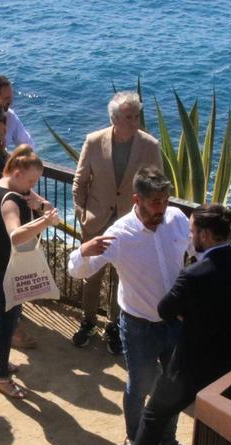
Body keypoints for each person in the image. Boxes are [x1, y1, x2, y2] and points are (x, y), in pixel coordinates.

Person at [92, 203, 231, 445]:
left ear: (205, 235)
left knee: (152, 418)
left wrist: (189, 311)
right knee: (219, 432)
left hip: (190, 364)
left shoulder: (194, 275)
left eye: (193, 231)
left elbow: (165, 309)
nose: (190, 236)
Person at [67, 167, 192, 445]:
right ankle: (135, 439)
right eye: (154, 202)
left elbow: (198, 255)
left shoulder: (177, 220)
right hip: (138, 326)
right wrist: (82, 251)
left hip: (175, 324)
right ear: (137, 199)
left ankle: (166, 442)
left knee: (173, 385)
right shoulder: (119, 234)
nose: (160, 208)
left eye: (164, 200)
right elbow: (78, 271)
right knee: (138, 387)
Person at [71, 91, 164, 355]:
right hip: (96, 221)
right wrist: (82, 214)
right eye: (128, 116)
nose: (134, 121)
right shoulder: (94, 140)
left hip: (130, 224)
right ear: (114, 118)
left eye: (136, 116)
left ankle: (114, 326)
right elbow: (79, 182)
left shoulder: (149, 145)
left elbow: (156, 185)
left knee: (123, 276)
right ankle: (88, 321)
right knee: (91, 274)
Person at [0, 145, 58, 399]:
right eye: (31, 180)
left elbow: (39, 204)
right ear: (17, 172)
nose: (32, 186)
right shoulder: (11, 200)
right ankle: (2, 379)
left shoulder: (8, 185)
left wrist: (42, 205)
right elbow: (16, 235)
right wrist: (44, 221)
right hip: (3, 268)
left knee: (4, 316)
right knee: (9, 321)